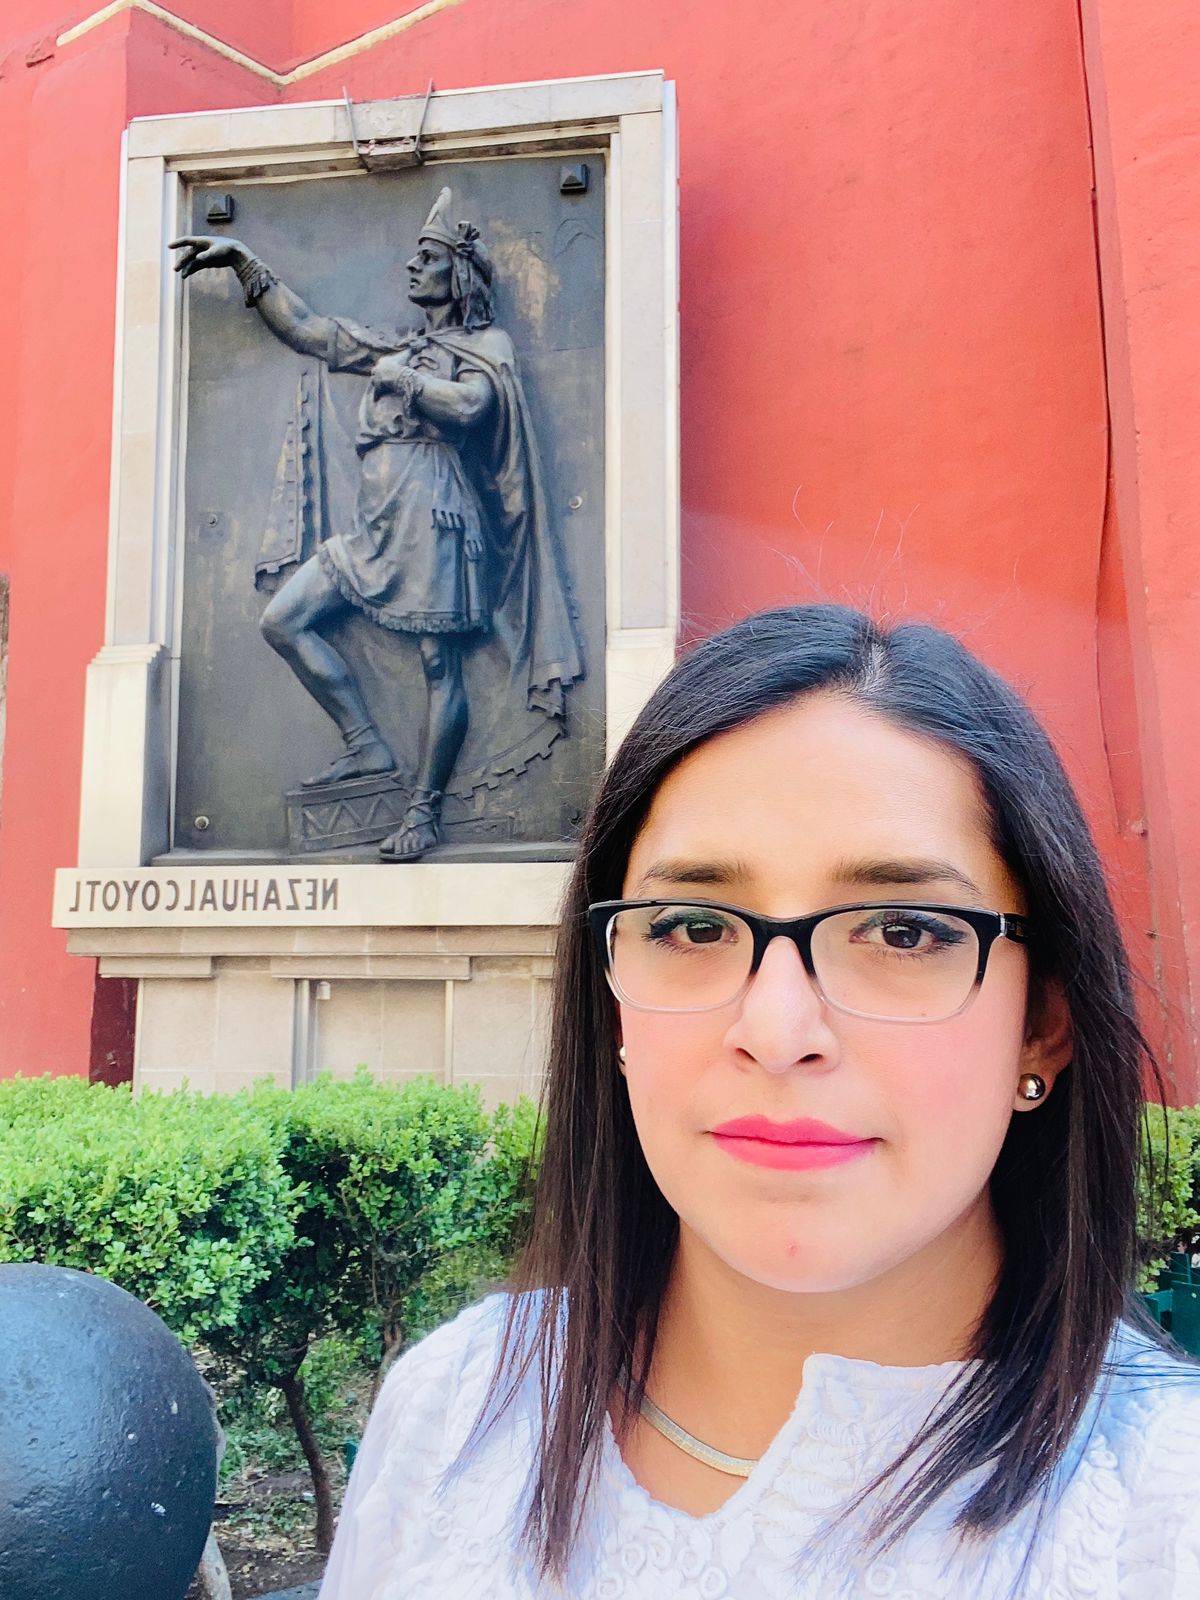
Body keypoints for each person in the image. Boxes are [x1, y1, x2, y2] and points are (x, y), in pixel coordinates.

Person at [317, 604, 1200, 1597]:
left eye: (904, 931)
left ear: (1043, 1020)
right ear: (609, 1001)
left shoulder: (1165, 1511)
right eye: (693, 925)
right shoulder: (454, 1412)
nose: (777, 1031)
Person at [171, 189, 581, 860]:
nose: (412, 268)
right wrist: (248, 265)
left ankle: (423, 812)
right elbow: (310, 331)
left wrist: (408, 382)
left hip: (437, 516)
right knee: (283, 619)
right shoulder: (399, 346)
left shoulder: (485, 344)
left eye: (427, 258)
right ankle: (366, 744)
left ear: (459, 271)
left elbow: (475, 406)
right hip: (377, 525)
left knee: (438, 665)